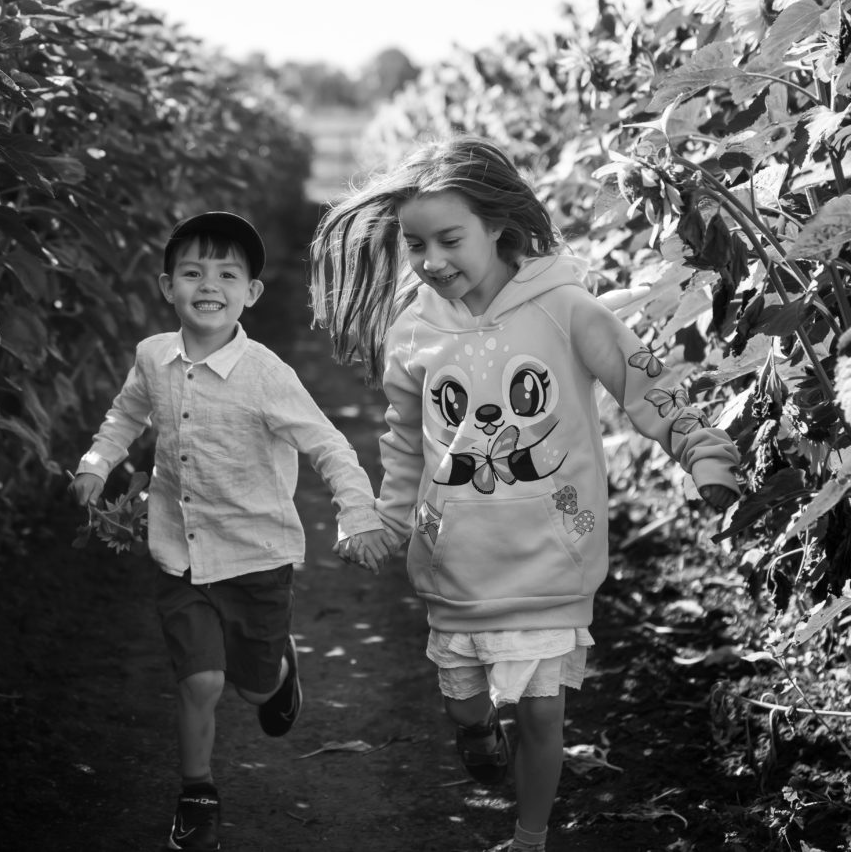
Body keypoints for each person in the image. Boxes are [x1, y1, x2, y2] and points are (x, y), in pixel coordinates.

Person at [309, 136, 740, 852]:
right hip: (458, 568)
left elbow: (645, 382)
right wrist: (386, 517)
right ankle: (474, 724)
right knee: (468, 703)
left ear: (498, 226)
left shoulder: (565, 308)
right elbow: (404, 438)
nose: (431, 261)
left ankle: (530, 836)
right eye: (416, 245)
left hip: (552, 561)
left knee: (541, 718)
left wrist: (701, 449)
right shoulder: (414, 330)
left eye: (450, 239)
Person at [69, 211, 393, 852]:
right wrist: (96, 463)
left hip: (256, 556)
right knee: (200, 681)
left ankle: (278, 671)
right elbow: (125, 416)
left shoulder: (266, 374)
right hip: (179, 553)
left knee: (249, 684)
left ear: (252, 292)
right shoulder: (153, 358)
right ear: (167, 287)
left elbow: (329, 446)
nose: (207, 284)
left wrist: (357, 513)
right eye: (192, 272)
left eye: (226, 273)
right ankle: (196, 796)